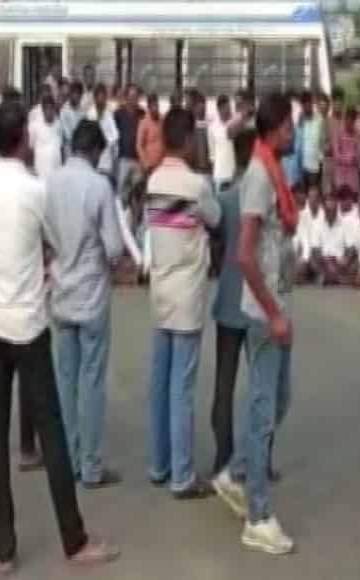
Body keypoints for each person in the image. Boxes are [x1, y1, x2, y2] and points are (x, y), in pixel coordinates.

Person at [0, 100, 118, 569]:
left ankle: (4, 548)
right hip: (29, 322)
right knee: (51, 433)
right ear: (26, 140)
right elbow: (58, 241)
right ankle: (73, 539)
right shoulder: (35, 191)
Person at [210, 94, 297, 554]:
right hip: (266, 312)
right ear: (276, 129)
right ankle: (258, 515)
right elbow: (244, 254)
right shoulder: (261, 177)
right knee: (265, 410)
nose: (295, 132)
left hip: (275, 304)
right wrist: (275, 311)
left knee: (279, 399)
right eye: (290, 125)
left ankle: (236, 470)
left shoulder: (271, 170)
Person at [43, 120, 125, 488]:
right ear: (94, 150)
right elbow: (114, 248)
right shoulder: (99, 186)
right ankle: (90, 465)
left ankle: (69, 459)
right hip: (91, 294)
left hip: (61, 291)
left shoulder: (52, 183)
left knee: (65, 382)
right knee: (92, 382)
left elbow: (45, 235)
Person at [145, 107, 221, 498]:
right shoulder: (196, 186)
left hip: (159, 291)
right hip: (188, 294)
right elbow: (216, 218)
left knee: (159, 380)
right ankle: (182, 474)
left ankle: (158, 464)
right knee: (182, 386)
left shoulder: (154, 180)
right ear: (190, 140)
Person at [209, 127, 256, 480]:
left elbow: (215, 246)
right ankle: (257, 456)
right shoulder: (263, 199)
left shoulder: (224, 199)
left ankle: (222, 456)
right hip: (257, 301)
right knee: (261, 385)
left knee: (223, 385)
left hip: (228, 297)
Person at [113, 85, 142, 195]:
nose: (134, 99)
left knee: (136, 193)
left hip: (138, 160)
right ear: (126, 97)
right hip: (123, 159)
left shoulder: (142, 114)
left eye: (136, 96)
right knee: (121, 193)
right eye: (131, 96)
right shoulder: (118, 114)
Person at [329, 107, 360, 197]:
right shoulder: (338, 132)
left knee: (352, 203)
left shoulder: (358, 134)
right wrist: (349, 158)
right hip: (340, 177)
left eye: (352, 120)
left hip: (352, 177)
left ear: (354, 120)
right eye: (347, 119)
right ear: (345, 119)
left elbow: (358, 155)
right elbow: (336, 155)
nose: (349, 122)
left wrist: (347, 157)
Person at [89, 84, 120, 184]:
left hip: (107, 158)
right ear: (95, 98)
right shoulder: (90, 114)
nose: (102, 100)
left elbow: (115, 134)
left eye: (104, 97)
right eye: (99, 97)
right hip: (93, 159)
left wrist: (107, 141)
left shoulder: (108, 114)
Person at [32, 94, 64, 179]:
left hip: (56, 169)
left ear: (54, 109)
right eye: (47, 109)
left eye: (51, 108)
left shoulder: (59, 124)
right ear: (43, 110)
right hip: (40, 170)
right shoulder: (35, 126)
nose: (49, 112)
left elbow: (60, 147)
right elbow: (31, 147)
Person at [136, 93, 164, 175]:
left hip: (161, 165)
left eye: (156, 105)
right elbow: (139, 145)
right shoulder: (143, 122)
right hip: (149, 166)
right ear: (149, 107)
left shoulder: (163, 120)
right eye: (153, 106)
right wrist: (145, 162)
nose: (155, 108)